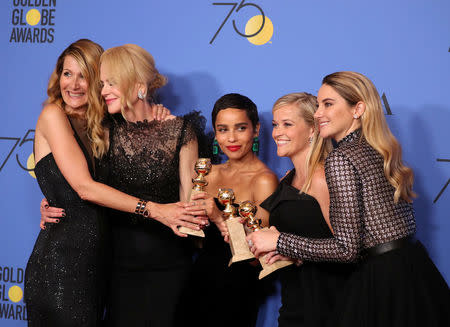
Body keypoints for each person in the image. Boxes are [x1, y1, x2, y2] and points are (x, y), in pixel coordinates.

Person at [25, 39, 205, 327]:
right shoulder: (53, 115)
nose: (73, 84)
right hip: (65, 263)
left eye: (85, 76)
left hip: (103, 265)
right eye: (67, 73)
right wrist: (156, 210)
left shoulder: (104, 127)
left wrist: (155, 117)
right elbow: (83, 188)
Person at [247, 72, 450, 326]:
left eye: (328, 104)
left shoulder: (340, 159)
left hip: (383, 281)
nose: (319, 113)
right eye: (319, 104)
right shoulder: (373, 147)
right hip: (412, 269)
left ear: (358, 109)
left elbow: (346, 250)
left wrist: (280, 241)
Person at [253, 92, 352, 327]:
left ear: (312, 130)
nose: (277, 133)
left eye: (288, 124)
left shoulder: (323, 178)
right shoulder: (289, 178)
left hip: (328, 300)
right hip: (296, 297)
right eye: (276, 124)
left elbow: (347, 250)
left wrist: (290, 248)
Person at [182, 93, 279, 327]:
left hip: (237, 288)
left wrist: (218, 217)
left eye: (240, 128)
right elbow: (195, 238)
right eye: (223, 129)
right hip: (199, 279)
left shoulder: (264, 180)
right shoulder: (209, 173)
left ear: (255, 130)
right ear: (215, 133)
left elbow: (258, 258)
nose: (231, 138)